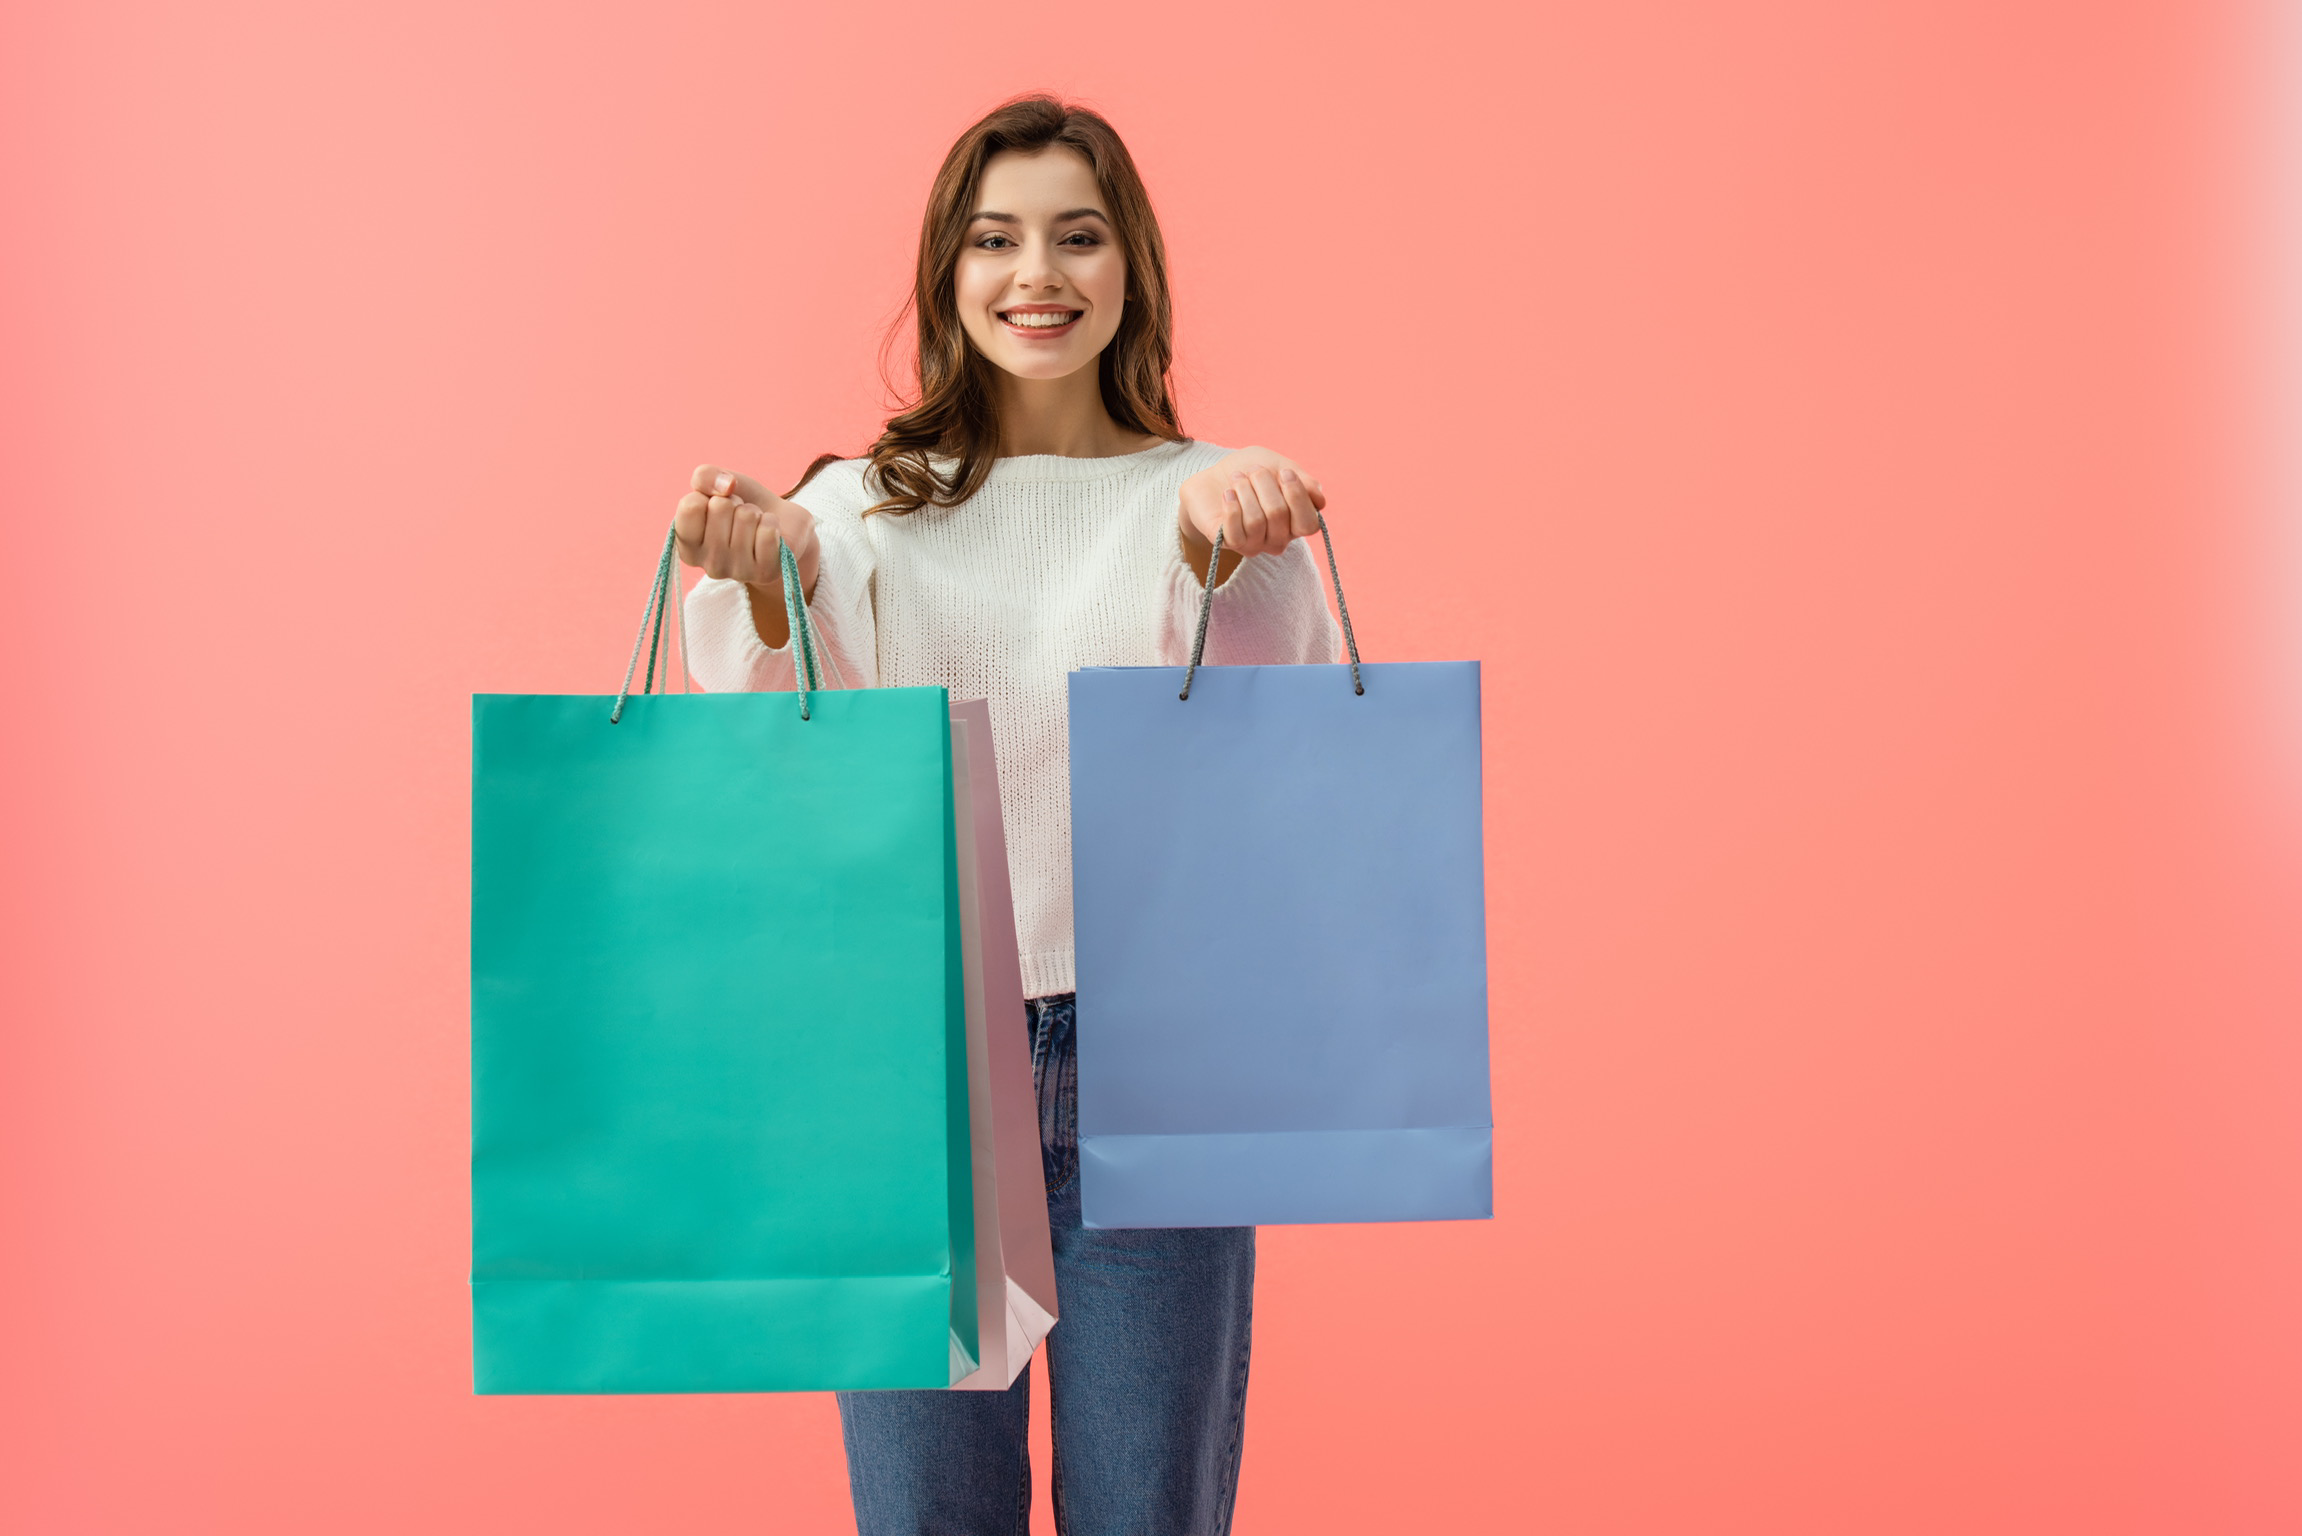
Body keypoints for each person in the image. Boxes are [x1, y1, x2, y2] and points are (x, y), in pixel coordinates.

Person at [672, 94, 1340, 1536]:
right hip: (913, 1061)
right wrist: (759, 570)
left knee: (1146, 1512)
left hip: (1148, 1052)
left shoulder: (1197, 495)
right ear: (946, 273)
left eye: (1076, 236)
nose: (1036, 273)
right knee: (923, 1518)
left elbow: (1256, 693)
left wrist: (1231, 542)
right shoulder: (852, 512)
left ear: (1130, 272)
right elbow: (762, 717)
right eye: (995, 239)